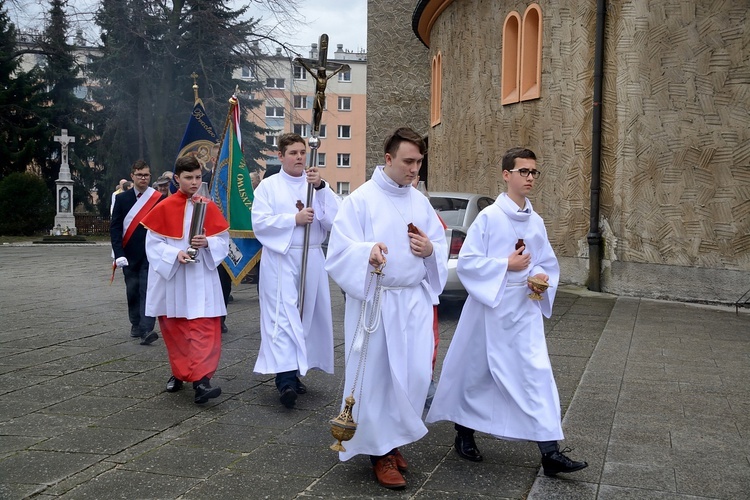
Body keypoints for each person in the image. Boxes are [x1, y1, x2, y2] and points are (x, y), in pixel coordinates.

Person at [426, 147, 588, 476]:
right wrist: (506, 265)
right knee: (476, 375)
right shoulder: (489, 218)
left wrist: (542, 279)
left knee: (536, 376)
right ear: (506, 175)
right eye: (523, 172)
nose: (530, 178)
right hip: (490, 310)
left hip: (524, 310)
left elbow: (545, 263)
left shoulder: (536, 221)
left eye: (533, 172)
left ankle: (550, 452)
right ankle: (464, 434)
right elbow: (468, 264)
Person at [324, 127, 448, 489]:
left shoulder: (418, 200)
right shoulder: (360, 200)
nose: (415, 170)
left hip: (412, 302)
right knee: (378, 380)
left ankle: (392, 443)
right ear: (389, 158)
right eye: (409, 162)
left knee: (411, 377)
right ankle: (379, 454)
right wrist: (368, 253)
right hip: (377, 303)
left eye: (419, 162)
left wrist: (430, 252)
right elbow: (339, 252)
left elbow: (437, 243)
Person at [251, 133, 340, 408]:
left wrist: (322, 188)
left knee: (306, 317)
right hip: (282, 257)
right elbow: (260, 223)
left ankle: (296, 371)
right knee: (284, 316)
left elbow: (337, 219)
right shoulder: (268, 187)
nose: (299, 157)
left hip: (311, 256)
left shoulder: (317, 185)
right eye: (293, 152)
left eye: (302, 152)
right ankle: (285, 380)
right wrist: (294, 219)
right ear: (280, 156)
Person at [141, 155, 230, 404]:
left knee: (205, 330)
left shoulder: (209, 206)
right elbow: (154, 244)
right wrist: (174, 254)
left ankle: (202, 381)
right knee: (177, 331)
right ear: (177, 178)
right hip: (176, 279)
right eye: (188, 177)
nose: (194, 182)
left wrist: (208, 242)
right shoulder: (164, 207)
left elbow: (223, 241)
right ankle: (180, 373)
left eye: (198, 177)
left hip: (201, 276)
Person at [110, 160, 164, 345]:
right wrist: (118, 254)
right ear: (132, 176)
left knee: (148, 290)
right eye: (140, 174)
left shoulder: (158, 198)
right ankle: (136, 323)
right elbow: (115, 228)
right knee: (132, 290)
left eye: (147, 175)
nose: (143, 178)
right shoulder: (122, 199)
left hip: (151, 254)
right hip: (129, 254)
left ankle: (147, 328)